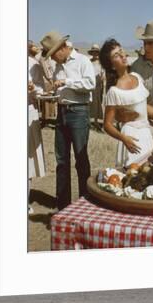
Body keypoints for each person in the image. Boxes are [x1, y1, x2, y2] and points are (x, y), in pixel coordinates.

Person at [40, 30, 96, 210]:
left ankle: (84, 203)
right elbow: (60, 88)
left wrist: (66, 82)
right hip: (62, 112)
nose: (54, 59)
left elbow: (90, 84)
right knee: (61, 161)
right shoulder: (58, 65)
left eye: (54, 54)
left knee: (81, 158)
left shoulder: (82, 61)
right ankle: (63, 205)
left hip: (79, 112)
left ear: (64, 48)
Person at [100, 38, 153, 167]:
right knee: (132, 174)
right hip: (131, 137)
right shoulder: (114, 91)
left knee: (149, 171)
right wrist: (124, 139)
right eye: (116, 55)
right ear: (111, 65)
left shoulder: (137, 77)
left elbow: (142, 107)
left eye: (121, 51)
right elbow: (107, 125)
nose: (123, 55)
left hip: (146, 133)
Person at [28, 42, 47, 214]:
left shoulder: (34, 64)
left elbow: (41, 91)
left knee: (26, 158)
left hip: (28, 112)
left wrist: (34, 89)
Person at [87, 43, 105, 131]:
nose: (95, 54)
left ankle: (96, 121)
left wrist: (101, 80)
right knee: (90, 101)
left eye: (96, 52)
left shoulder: (101, 62)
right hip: (90, 81)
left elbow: (103, 74)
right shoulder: (89, 62)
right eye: (93, 52)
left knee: (97, 101)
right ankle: (90, 121)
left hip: (98, 82)